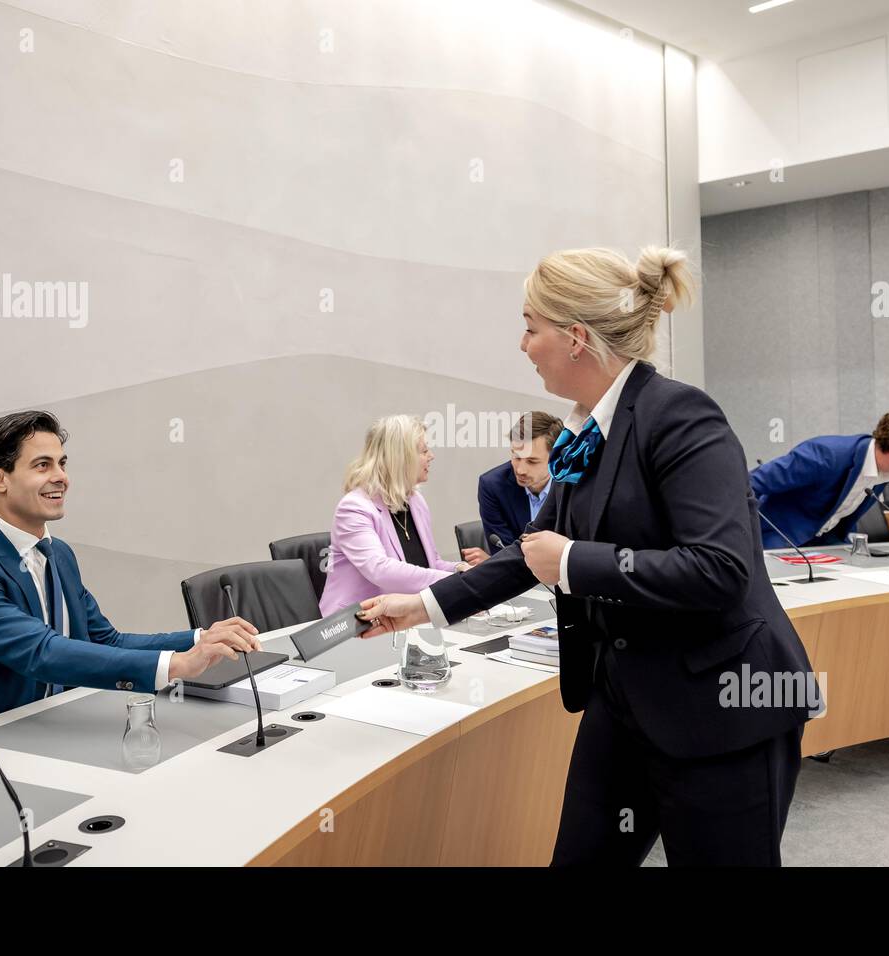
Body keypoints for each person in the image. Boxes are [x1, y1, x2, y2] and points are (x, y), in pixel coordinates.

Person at [359, 246, 816, 866]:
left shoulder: (679, 416)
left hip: (721, 704)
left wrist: (574, 562)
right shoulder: (583, 430)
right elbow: (531, 551)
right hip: (625, 699)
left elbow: (720, 569)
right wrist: (423, 605)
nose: (522, 345)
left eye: (530, 327)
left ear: (576, 337)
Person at [0, 411, 260, 741]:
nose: (61, 476)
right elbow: (41, 653)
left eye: (61, 464)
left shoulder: (57, 553)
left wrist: (199, 639)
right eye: (42, 465)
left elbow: (105, 641)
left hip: (45, 728)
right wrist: (177, 665)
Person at [319, 415, 482, 617]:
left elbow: (431, 564)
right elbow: (380, 569)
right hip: (358, 623)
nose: (431, 456)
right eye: (424, 451)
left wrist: (460, 569)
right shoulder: (354, 508)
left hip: (405, 618)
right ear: (400, 458)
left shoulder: (415, 500)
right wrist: (455, 582)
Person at [749, 409, 889, 549]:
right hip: (778, 539)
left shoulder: (885, 471)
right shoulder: (825, 455)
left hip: (827, 544)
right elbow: (751, 482)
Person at [473, 411, 563, 556]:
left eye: (532, 461)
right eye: (516, 457)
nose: (520, 470)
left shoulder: (574, 484)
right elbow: (504, 553)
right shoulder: (492, 486)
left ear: (555, 458)